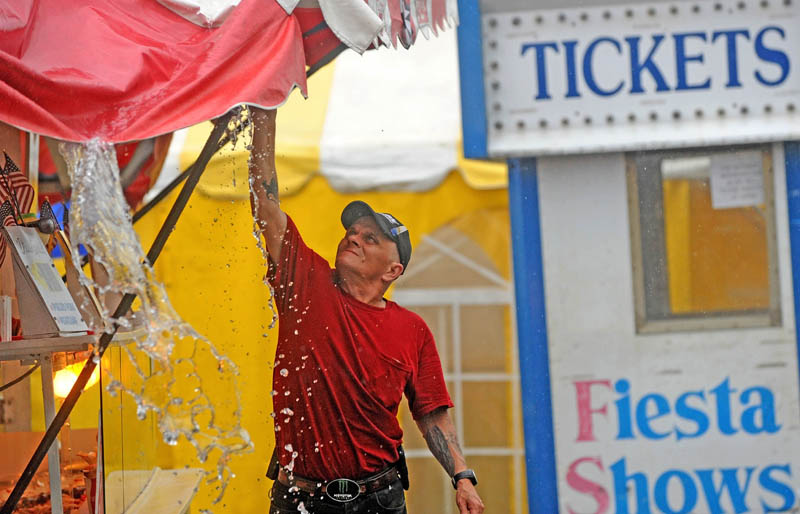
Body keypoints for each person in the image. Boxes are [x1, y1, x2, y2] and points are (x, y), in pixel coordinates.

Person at [247, 107, 485, 514]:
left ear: (393, 270)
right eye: (352, 232)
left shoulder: (413, 329)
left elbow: (432, 414)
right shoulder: (305, 283)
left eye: (370, 238)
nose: (354, 238)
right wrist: (263, 112)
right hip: (299, 499)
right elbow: (266, 206)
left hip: (379, 499)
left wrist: (462, 476)